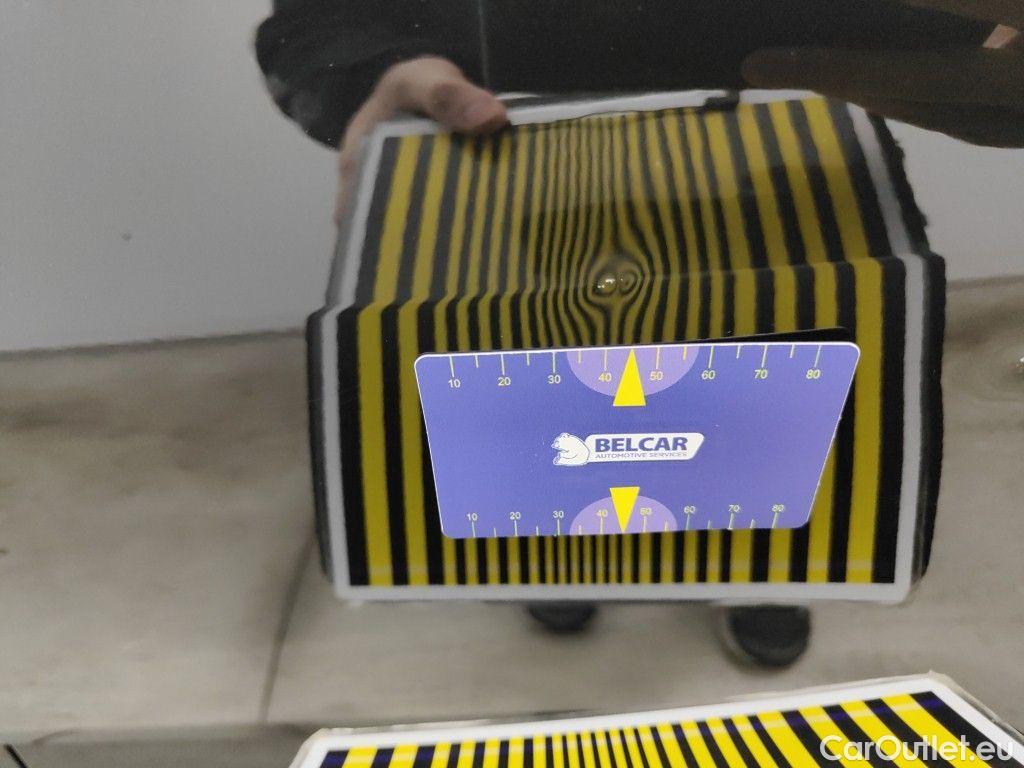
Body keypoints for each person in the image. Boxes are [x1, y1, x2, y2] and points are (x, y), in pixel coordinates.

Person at [254, 0, 1021, 667]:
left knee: (754, 439)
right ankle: (555, 561)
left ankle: (756, 577)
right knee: (550, 439)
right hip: (504, 180)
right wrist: (377, 72)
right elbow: (314, 24)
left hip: (775, 174)